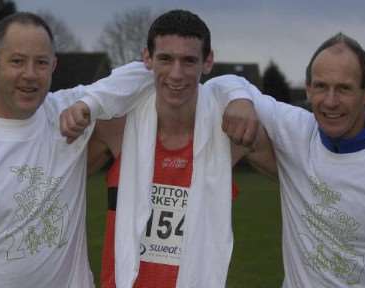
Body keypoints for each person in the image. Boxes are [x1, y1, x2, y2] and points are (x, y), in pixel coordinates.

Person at [0, 11, 264, 288]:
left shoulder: (68, 112)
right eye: (17, 61)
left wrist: (237, 92)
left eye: (41, 62)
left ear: (54, 66)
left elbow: (141, 75)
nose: (30, 74)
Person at [62, 9, 276, 288]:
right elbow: (56, 181)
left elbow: (302, 183)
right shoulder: (117, 127)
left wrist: (240, 94)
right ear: (147, 59)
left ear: (208, 61)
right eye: (165, 58)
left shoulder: (232, 136)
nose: (177, 74)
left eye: (189, 61)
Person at [230, 33, 365, 287]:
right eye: (321, 87)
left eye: (343, 88)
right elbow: (227, 83)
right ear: (309, 89)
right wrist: (239, 100)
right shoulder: (297, 131)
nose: (330, 101)